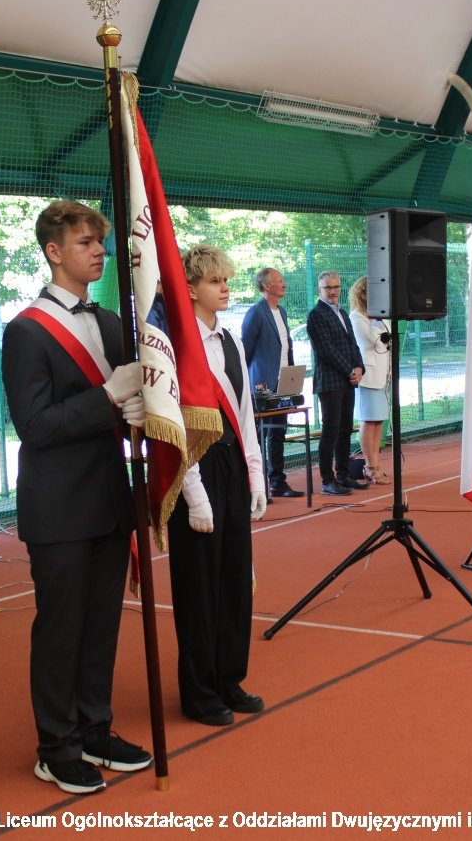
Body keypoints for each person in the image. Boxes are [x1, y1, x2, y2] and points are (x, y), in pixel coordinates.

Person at [0, 200, 152, 795]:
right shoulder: (26, 331)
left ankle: (94, 729)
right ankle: (55, 746)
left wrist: (138, 410)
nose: (99, 252)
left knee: (101, 626)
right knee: (62, 630)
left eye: (101, 242)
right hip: (59, 506)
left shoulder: (112, 322)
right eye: (86, 242)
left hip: (109, 498)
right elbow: (35, 426)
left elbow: (123, 402)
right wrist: (109, 398)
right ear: (54, 251)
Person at [168, 244, 268, 727]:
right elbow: (176, 425)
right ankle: (199, 690)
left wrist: (256, 472)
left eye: (227, 279)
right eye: (214, 281)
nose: (225, 288)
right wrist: (194, 494)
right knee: (199, 586)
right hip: (195, 468)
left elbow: (245, 413)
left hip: (231, 463)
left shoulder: (231, 340)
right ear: (189, 288)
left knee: (233, 578)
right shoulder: (174, 345)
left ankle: (229, 676)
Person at [241, 267, 303, 497]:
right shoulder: (255, 313)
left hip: (284, 382)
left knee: (278, 433)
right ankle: (257, 487)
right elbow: (245, 350)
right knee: (258, 436)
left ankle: (277, 482)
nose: (284, 284)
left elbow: (285, 347)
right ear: (266, 286)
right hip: (262, 386)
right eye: (279, 280)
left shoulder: (283, 312)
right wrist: (249, 384)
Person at [306, 271, 367, 495]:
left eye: (336, 287)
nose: (332, 291)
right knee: (330, 431)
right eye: (327, 288)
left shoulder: (342, 313)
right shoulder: (316, 315)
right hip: (330, 383)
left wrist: (360, 367)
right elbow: (326, 350)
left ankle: (344, 475)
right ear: (320, 290)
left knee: (345, 430)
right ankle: (327, 481)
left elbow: (353, 345)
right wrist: (350, 370)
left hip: (347, 381)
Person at [347, 276, 392, 482]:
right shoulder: (356, 317)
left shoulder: (380, 315)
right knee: (368, 419)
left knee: (378, 420)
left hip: (383, 375)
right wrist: (375, 322)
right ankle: (369, 466)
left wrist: (377, 322)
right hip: (368, 376)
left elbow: (387, 341)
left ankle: (375, 464)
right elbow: (371, 342)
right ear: (363, 294)